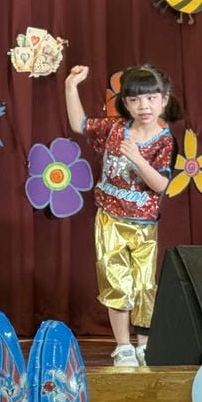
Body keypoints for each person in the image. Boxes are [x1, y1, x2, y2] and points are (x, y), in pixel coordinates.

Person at [65, 63, 181, 368]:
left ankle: (144, 345)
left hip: (144, 225)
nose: (144, 106)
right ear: (125, 104)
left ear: (164, 100)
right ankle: (123, 346)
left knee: (143, 285)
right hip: (111, 218)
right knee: (116, 281)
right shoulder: (115, 129)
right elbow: (79, 124)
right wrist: (71, 86)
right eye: (135, 100)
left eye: (151, 98)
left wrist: (138, 160)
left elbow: (161, 185)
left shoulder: (165, 140)